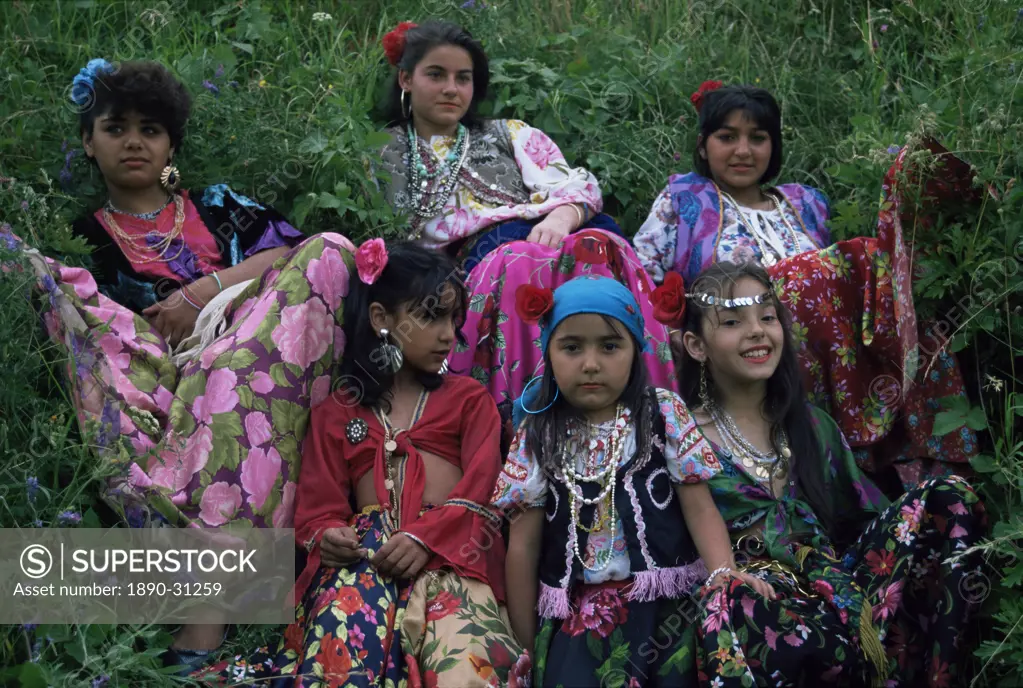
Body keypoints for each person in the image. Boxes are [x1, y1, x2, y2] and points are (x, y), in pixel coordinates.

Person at [0, 58, 356, 668]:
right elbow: (108, 329)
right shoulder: (85, 235)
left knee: (335, 250)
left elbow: (297, 253)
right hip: (168, 370)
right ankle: (211, 600)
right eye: (115, 127)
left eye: (150, 128)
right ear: (88, 143)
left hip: (258, 348)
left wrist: (202, 292)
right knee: (57, 288)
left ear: (171, 145)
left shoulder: (218, 207)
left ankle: (206, 605)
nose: (134, 141)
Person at [194, 241, 528, 687]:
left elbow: (484, 487)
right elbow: (318, 506)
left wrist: (425, 538)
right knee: (341, 654)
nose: (448, 334)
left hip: (453, 555)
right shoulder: (339, 410)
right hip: (366, 560)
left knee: (467, 665)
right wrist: (328, 536)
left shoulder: (469, 401)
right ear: (381, 319)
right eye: (431, 316)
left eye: (453, 318)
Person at [650, 261, 987, 686]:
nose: (757, 331)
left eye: (768, 318)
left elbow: (861, 517)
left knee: (948, 496)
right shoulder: (681, 436)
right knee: (734, 599)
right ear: (696, 346)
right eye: (734, 322)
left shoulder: (811, 425)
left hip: (837, 584)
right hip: (757, 607)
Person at [633, 82, 978, 491]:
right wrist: (674, 332)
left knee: (907, 303)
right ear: (704, 145)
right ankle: (865, 441)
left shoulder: (806, 202)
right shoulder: (684, 198)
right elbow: (641, 275)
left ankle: (934, 475)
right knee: (821, 272)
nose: (743, 151)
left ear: (773, 147)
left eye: (757, 138)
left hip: (833, 344)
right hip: (745, 340)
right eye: (727, 137)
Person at [373, 20, 675, 406]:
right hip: (478, 261)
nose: (451, 88)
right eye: (436, 74)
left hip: (552, 230)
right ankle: (529, 421)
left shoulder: (506, 133)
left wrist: (560, 219)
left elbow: (574, 188)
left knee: (599, 245)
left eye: (463, 78)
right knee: (517, 260)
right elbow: (398, 242)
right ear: (405, 79)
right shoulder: (385, 151)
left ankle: (642, 412)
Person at [491, 275, 775, 687]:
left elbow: (699, 507)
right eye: (571, 347)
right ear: (548, 352)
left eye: (610, 346)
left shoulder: (662, 415)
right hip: (581, 621)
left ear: (636, 351)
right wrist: (526, 645)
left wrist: (723, 576)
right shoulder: (539, 433)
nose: (591, 363)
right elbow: (523, 546)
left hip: (671, 607)